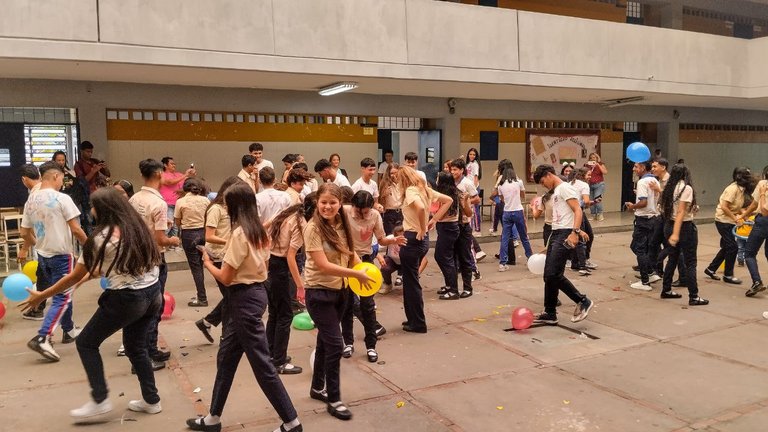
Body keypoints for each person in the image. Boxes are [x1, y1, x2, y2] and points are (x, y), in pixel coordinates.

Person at [22, 187, 165, 420]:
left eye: (93, 206)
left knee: (87, 343)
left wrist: (42, 295)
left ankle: (100, 400)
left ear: (103, 210)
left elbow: (73, 276)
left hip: (127, 299)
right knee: (136, 347)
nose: (90, 210)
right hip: (153, 294)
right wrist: (86, 277)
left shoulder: (101, 238)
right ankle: (152, 400)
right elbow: (110, 266)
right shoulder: (137, 228)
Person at [186, 183, 302, 432]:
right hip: (255, 294)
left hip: (243, 300)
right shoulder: (259, 231)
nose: (225, 208)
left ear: (235, 206)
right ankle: (213, 418)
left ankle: (291, 421)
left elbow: (226, 277)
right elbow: (266, 263)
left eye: (227, 204)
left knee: (262, 365)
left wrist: (207, 261)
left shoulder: (240, 234)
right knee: (226, 358)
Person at [303, 183, 374, 421]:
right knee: (335, 345)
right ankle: (334, 398)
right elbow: (322, 264)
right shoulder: (313, 228)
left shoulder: (341, 222)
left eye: (332, 202)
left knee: (325, 342)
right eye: (323, 202)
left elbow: (348, 251)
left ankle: (316, 387)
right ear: (317, 202)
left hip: (341, 292)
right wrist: (356, 274)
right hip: (319, 293)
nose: (327, 207)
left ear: (339, 203)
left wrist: (362, 267)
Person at [20, 161, 88, 360]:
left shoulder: (31, 200)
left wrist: (39, 243)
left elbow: (25, 232)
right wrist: (92, 248)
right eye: (62, 179)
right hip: (60, 254)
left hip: (43, 255)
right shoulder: (62, 198)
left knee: (61, 291)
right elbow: (76, 229)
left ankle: (68, 329)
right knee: (62, 296)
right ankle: (43, 337)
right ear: (56, 177)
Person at [130, 159, 181, 369]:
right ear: (159, 174)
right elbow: (161, 239)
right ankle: (145, 355)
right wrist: (173, 240)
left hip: (138, 256)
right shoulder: (158, 203)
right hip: (154, 257)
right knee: (153, 307)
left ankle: (150, 349)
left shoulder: (134, 199)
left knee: (143, 307)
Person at [341, 191, 403, 361]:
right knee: (346, 304)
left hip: (366, 261)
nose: (362, 215)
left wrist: (394, 240)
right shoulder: (344, 211)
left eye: (365, 212)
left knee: (368, 304)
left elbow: (381, 239)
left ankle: (371, 346)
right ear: (353, 206)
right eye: (358, 211)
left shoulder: (375, 215)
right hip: (347, 261)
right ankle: (347, 342)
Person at [532, 164, 594, 325]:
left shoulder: (565, 188)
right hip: (557, 233)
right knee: (549, 276)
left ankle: (582, 300)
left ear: (548, 175)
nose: (543, 185)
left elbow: (578, 211)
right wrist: (550, 244)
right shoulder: (556, 192)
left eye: (542, 181)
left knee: (553, 274)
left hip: (566, 234)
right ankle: (550, 312)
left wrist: (575, 232)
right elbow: (559, 218)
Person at [398, 167, 452, 332]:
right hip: (421, 240)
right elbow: (448, 200)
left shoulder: (410, 190)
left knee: (411, 283)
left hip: (413, 238)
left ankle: (418, 323)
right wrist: (433, 220)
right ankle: (413, 319)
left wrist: (422, 227)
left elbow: (421, 208)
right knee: (411, 281)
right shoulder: (425, 189)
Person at [194, 177, 242, 343]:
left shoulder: (232, 208)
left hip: (229, 255)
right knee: (231, 297)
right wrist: (230, 241)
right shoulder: (216, 209)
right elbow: (209, 236)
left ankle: (208, 323)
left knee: (231, 296)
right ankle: (225, 335)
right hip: (217, 256)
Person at [266, 202, 307, 375]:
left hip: (271, 264)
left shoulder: (284, 214)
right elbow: (291, 256)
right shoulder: (300, 222)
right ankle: (279, 362)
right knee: (285, 315)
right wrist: (300, 285)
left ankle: (270, 354)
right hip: (282, 267)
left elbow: (263, 230)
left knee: (275, 313)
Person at [659, 164, 709, 305]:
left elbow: (671, 208)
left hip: (669, 224)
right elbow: (681, 211)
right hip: (684, 227)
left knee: (672, 259)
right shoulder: (686, 188)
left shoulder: (669, 187)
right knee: (691, 263)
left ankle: (666, 289)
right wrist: (676, 233)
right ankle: (694, 296)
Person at [704, 167, 755, 284]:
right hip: (723, 221)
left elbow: (737, 207)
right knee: (733, 247)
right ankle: (728, 275)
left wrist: (744, 216)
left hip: (729, 220)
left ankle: (711, 269)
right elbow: (724, 206)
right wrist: (735, 219)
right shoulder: (733, 189)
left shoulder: (741, 189)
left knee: (727, 247)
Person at [433, 172, 471, 299]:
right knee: (444, 257)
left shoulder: (452, 195)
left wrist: (433, 213)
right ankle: (450, 285)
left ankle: (456, 289)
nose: (436, 181)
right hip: (448, 227)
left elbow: (444, 214)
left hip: (451, 227)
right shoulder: (448, 194)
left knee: (447, 257)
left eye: (438, 179)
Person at [175, 178, 211, 307]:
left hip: (189, 235)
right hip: (203, 232)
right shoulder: (206, 200)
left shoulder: (180, 201)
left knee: (196, 268)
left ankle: (202, 297)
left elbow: (177, 222)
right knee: (205, 263)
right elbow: (208, 217)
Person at [625, 161, 661, 290]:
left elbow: (643, 202)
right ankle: (651, 272)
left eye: (636, 167)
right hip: (653, 218)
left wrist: (632, 206)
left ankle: (645, 281)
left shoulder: (641, 182)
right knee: (642, 247)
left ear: (643, 168)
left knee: (638, 248)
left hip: (643, 219)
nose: (634, 169)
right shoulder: (655, 180)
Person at [450, 158, 484, 283]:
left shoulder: (467, 183)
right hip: (454, 218)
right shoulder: (451, 182)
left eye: (455, 169)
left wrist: (465, 201)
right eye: (451, 169)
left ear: (462, 170)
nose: (453, 172)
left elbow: (477, 199)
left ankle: (474, 270)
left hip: (465, 217)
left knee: (468, 247)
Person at [498, 166, 533, 271]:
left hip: (507, 212)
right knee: (523, 236)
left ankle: (502, 263)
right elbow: (523, 195)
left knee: (505, 238)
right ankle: (530, 258)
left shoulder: (501, 185)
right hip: (518, 210)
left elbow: (502, 199)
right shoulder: (519, 182)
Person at [742, 165, 768, 297]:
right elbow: (753, 204)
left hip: (764, 221)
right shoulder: (762, 183)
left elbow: (763, 209)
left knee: (749, 253)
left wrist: (763, 193)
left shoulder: (763, 184)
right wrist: (744, 215)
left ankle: (756, 281)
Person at [159, 156, 196, 237]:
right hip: (167, 203)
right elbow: (169, 182)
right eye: (172, 164)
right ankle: (160, 243)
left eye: (174, 164)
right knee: (168, 225)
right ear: (165, 165)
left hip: (178, 203)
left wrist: (191, 174)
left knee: (176, 227)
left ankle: (173, 245)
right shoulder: (162, 174)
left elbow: (188, 183)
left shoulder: (178, 175)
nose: (174, 165)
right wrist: (185, 175)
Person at [569, 168, 597, 274]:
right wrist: (591, 202)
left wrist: (592, 201)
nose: (590, 177)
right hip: (578, 210)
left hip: (570, 211)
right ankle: (582, 265)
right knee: (583, 238)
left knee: (586, 234)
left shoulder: (571, 183)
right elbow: (585, 202)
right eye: (589, 175)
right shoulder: (584, 185)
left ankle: (575, 263)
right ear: (583, 175)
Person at [379, 163, 402, 235]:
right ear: (388, 173)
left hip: (401, 211)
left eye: (396, 173)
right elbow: (380, 199)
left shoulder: (402, 182)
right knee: (390, 236)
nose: (394, 175)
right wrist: (384, 193)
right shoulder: (384, 183)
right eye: (392, 173)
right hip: (389, 212)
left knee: (401, 236)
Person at [585, 152, 608, 221]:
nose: (592, 159)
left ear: (597, 158)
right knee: (591, 201)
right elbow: (584, 174)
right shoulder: (587, 166)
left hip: (599, 184)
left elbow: (605, 172)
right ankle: (593, 215)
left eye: (594, 157)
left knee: (597, 199)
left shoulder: (601, 164)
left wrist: (598, 165)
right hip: (590, 185)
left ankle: (600, 214)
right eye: (591, 158)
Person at [465, 147, 483, 234]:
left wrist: (474, 191)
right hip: (468, 189)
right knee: (470, 209)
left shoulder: (475, 164)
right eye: (470, 154)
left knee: (475, 210)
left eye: (474, 154)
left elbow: (475, 177)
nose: (472, 156)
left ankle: (477, 229)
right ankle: (471, 228)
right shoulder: (468, 164)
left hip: (473, 188)